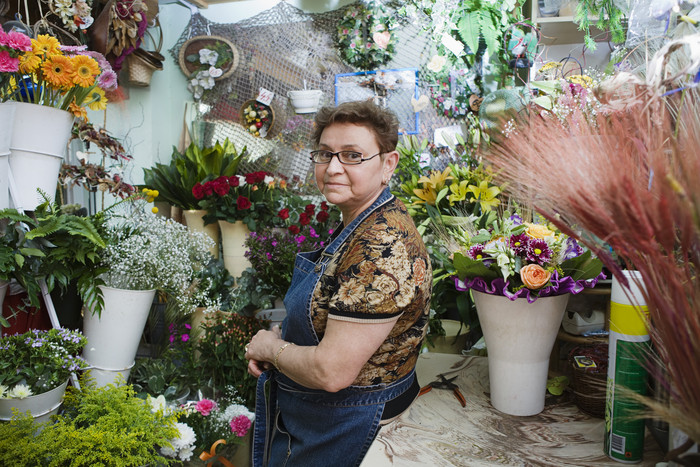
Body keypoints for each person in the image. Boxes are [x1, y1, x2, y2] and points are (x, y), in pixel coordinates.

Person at [244, 100, 432, 467]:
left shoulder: (379, 246)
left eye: (352, 156)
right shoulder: (364, 218)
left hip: (345, 419)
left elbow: (332, 372)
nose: (332, 168)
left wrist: (270, 348)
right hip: (334, 412)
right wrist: (288, 335)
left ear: (387, 164)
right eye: (325, 154)